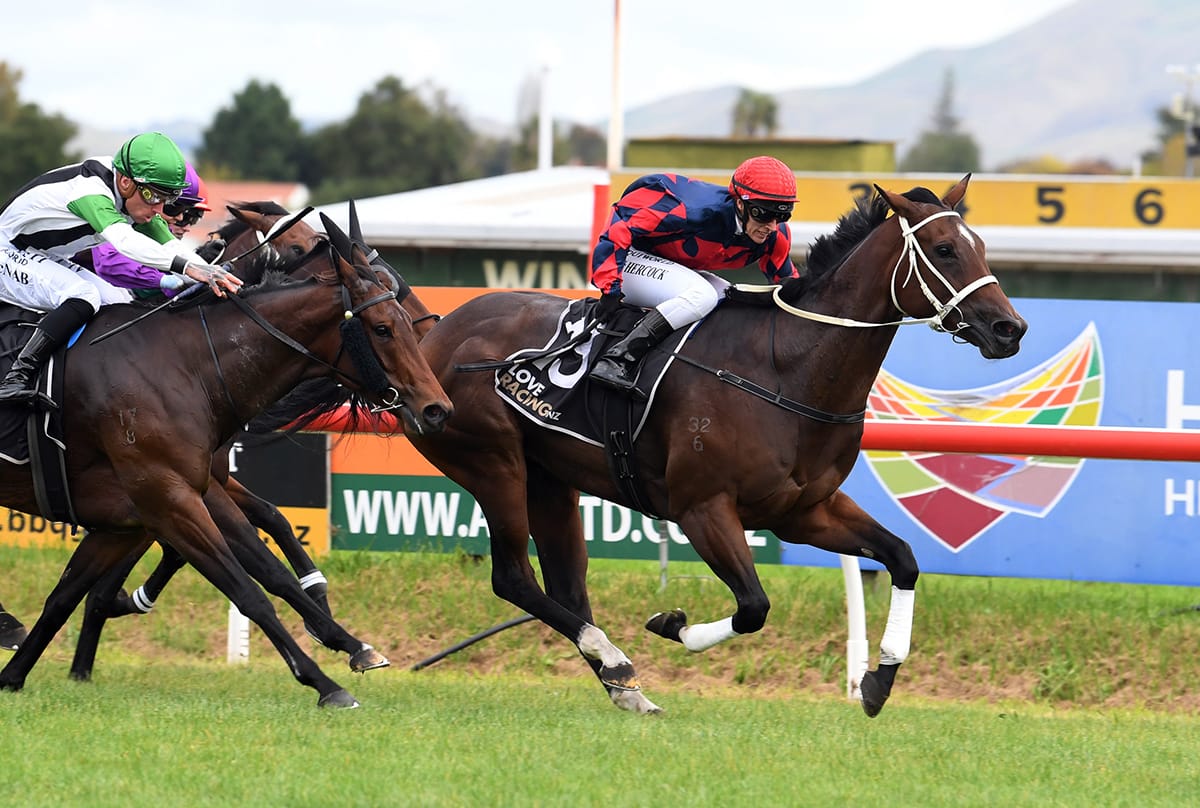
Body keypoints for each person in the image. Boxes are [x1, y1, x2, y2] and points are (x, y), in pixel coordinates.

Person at [0, 132, 242, 409]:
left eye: (168, 199)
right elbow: (125, 242)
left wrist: (211, 272)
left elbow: (167, 244)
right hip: (7, 250)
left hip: (41, 253)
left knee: (120, 302)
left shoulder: (134, 192)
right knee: (84, 294)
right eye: (154, 196)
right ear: (125, 182)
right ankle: (15, 378)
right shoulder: (92, 192)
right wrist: (188, 269)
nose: (159, 208)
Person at [587, 155, 801, 396]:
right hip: (628, 258)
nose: (772, 226)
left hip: (668, 265)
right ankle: (617, 359)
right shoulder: (690, 210)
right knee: (702, 295)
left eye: (782, 216)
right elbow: (619, 226)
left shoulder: (775, 236)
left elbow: (789, 288)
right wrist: (610, 287)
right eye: (764, 214)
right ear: (740, 204)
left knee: (730, 298)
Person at [84, 162, 213, 299]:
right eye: (178, 211)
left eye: (193, 219)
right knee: (106, 298)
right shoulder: (114, 212)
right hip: (72, 272)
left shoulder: (153, 224)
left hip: (108, 286)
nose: (184, 223)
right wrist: (165, 280)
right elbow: (108, 263)